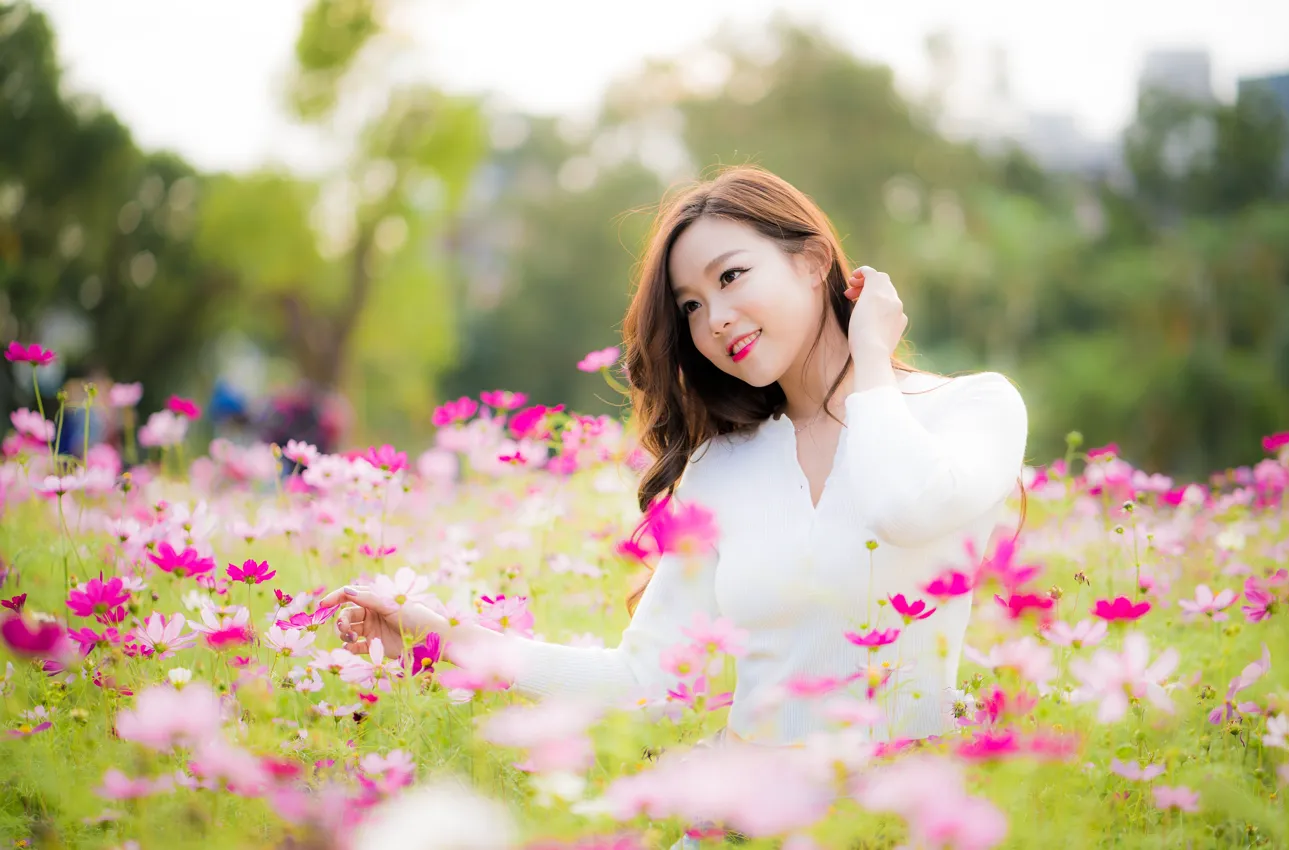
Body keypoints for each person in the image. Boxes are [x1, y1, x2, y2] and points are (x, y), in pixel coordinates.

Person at [322, 165, 1028, 751]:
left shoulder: (973, 410)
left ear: (813, 261)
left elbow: (902, 506)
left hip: (900, 823)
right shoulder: (722, 468)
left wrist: (870, 355)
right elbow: (639, 679)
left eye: (731, 277)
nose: (713, 320)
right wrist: (442, 636)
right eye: (689, 306)